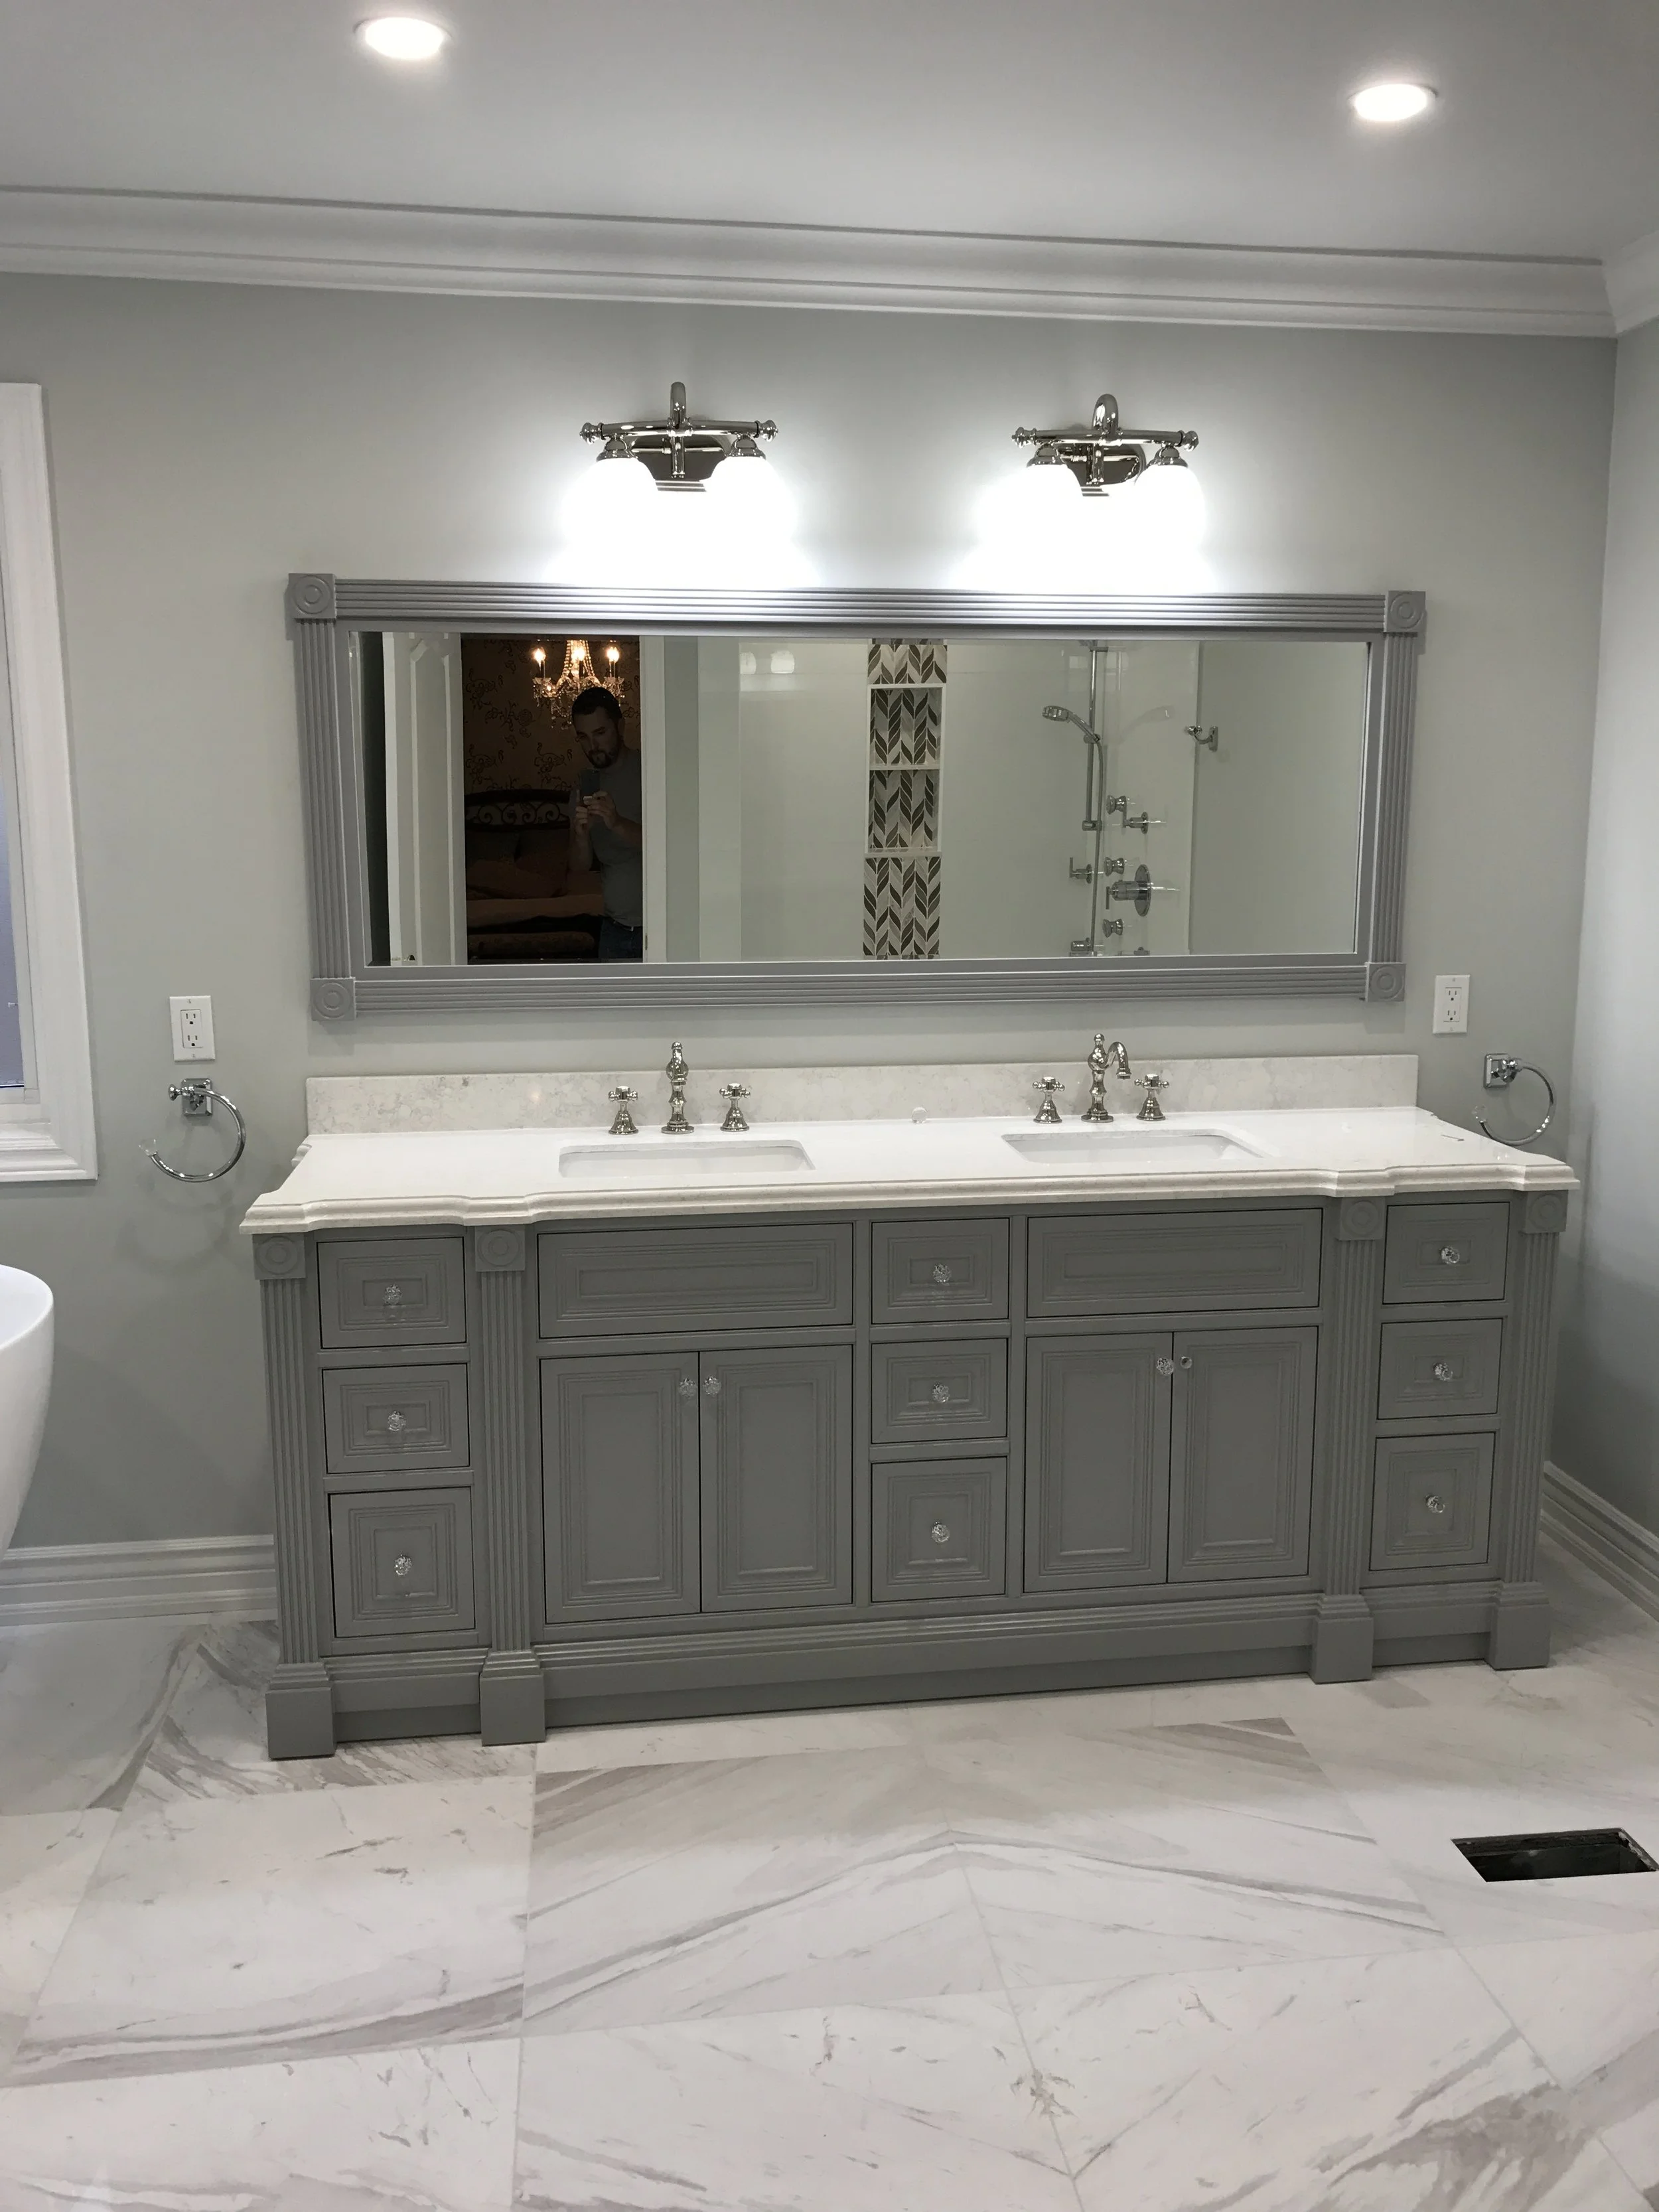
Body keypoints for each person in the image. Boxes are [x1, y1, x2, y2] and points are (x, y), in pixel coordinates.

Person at [567, 685, 644, 961]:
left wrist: (617, 823)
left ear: (620, 727)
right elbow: (578, 867)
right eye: (583, 737)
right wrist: (580, 835)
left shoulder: (648, 771)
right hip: (613, 929)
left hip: (658, 929)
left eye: (600, 733)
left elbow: (668, 846)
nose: (593, 746)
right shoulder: (586, 783)